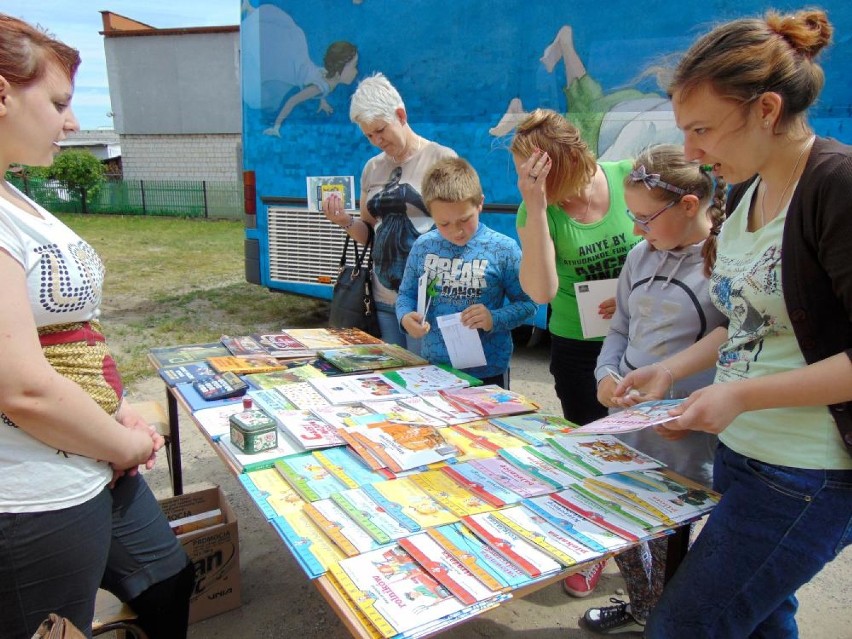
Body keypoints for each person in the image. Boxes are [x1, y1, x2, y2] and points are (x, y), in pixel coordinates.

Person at [609, 9, 852, 638]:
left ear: (766, 110)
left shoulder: (836, 186)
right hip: (744, 455)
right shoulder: (745, 191)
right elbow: (742, 326)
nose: (691, 151)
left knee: (682, 626)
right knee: (765, 618)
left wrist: (741, 393)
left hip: (808, 471)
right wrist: (671, 367)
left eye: (702, 129)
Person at [0, 15, 195, 639]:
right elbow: (23, 387)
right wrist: (124, 444)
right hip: (34, 494)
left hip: (87, 454)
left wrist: (111, 420)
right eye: (59, 102)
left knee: (168, 579)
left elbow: (64, 342)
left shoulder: (16, 195)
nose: (73, 121)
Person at [580, 145, 728, 635]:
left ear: (689, 206)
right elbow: (620, 329)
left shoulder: (724, 264)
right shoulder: (639, 256)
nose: (637, 229)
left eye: (646, 217)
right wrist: (605, 376)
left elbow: (737, 349)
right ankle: (645, 607)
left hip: (684, 430)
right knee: (616, 520)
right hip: (628, 426)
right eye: (632, 217)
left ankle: (664, 616)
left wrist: (690, 407)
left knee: (670, 539)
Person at [512, 108, 642, 597]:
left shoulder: (629, 176)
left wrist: (633, 295)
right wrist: (538, 206)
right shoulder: (537, 207)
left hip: (641, 341)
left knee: (644, 453)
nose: (532, 181)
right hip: (579, 348)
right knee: (590, 452)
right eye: (526, 174)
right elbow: (541, 291)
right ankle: (593, 548)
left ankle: (645, 553)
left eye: (541, 175)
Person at [324, 72, 456, 352]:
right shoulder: (372, 168)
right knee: (390, 378)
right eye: (369, 135)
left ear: (400, 114)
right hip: (381, 299)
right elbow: (371, 234)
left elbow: (460, 230)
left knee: (426, 381)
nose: (376, 140)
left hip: (427, 302)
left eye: (380, 130)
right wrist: (344, 221)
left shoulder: (442, 159)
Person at [396, 157, 537, 388]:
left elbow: (528, 303)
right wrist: (405, 317)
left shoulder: (503, 248)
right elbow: (405, 295)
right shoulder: (424, 246)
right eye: (444, 223)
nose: (457, 232)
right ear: (430, 213)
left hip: (488, 371)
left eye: (465, 219)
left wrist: (493, 318)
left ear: (480, 203)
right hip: (436, 368)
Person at [240, 3, 359, 136]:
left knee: (277, 37)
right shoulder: (320, 87)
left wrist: (322, 101)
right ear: (338, 72)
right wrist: (277, 126)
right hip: (296, 68)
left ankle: (251, 10)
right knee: (274, 44)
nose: (356, 71)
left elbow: (321, 86)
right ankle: (251, 12)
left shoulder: (327, 79)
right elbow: (292, 101)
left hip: (302, 61)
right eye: (353, 67)